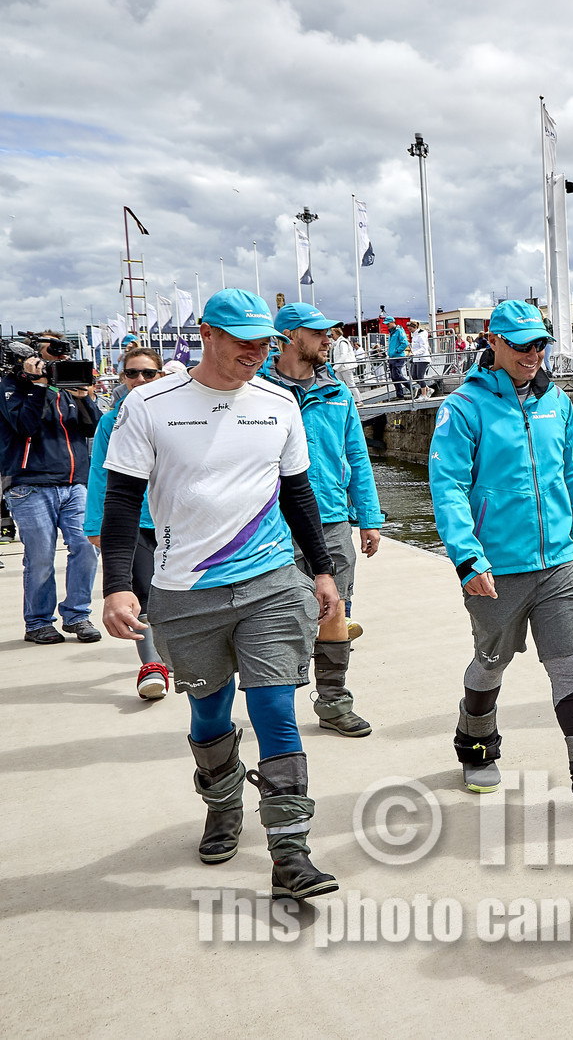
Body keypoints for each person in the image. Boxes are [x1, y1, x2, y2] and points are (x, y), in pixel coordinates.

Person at [99, 288, 342, 899]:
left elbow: (298, 493)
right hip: (186, 591)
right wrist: (118, 586)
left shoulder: (279, 403)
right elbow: (124, 500)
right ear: (206, 334)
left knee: (276, 712)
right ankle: (223, 802)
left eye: (265, 343)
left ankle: (291, 853)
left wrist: (320, 568)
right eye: (243, 343)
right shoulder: (150, 406)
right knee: (210, 714)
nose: (257, 353)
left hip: (270, 585)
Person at [428, 300, 573, 819]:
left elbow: (570, 474)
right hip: (496, 568)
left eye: (540, 344)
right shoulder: (463, 408)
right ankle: (475, 744)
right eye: (521, 345)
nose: (533, 354)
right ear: (494, 343)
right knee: (490, 663)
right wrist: (467, 559)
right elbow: (449, 487)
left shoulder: (557, 403)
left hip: (560, 562)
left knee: (568, 666)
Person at [260, 303, 384, 738]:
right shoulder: (257, 392)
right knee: (278, 618)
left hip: (331, 519)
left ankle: (333, 702)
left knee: (335, 610)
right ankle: (276, 709)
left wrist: (368, 518)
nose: (328, 340)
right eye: (318, 333)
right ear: (290, 336)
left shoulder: (338, 393)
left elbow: (358, 457)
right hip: (271, 522)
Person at [2, 335, 101, 644]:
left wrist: (84, 397)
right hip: (29, 484)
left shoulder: (66, 388)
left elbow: (92, 427)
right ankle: (38, 622)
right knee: (41, 556)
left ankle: (78, 615)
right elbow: (25, 426)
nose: (55, 365)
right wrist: (37, 386)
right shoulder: (9, 387)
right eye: (47, 359)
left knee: (86, 547)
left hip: (74, 483)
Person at [84, 347, 168, 697]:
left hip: (174, 519)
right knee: (143, 592)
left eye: (148, 373)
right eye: (132, 373)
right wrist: (95, 524)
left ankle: (172, 653)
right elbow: (100, 474)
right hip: (130, 522)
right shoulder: (110, 421)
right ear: (122, 378)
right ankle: (153, 667)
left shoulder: (177, 413)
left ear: (160, 376)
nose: (140, 380)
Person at [385, 316, 411, 399]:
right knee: (393, 377)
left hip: (398, 357)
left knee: (397, 375)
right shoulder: (391, 333)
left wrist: (397, 350)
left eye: (388, 324)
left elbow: (404, 343)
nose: (387, 325)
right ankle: (399, 395)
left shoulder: (399, 331)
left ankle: (412, 388)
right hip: (392, 357)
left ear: (393, 322)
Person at [330, 326, 360, 394]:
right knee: (337, 383)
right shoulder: (339, 343)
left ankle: (358, 400)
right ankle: (340, 398)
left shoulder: (342, 343)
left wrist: (335, 367)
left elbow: (343, 355)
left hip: (345, 367)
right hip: (341, 367)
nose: (331, 336)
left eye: (332, 334)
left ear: (337, 334)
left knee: (350, 384)